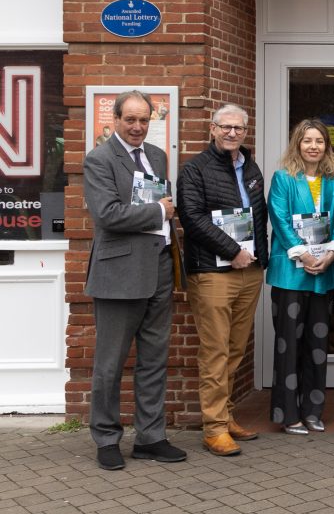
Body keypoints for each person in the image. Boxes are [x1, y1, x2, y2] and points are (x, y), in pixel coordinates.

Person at [83, 90, 187, 470]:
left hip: (158, 268)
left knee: (154, 360)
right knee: (110, 364)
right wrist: (158, 210)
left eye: (144, 120)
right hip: (118, 272)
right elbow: (107, 214)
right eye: (131, 120)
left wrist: (163, 209)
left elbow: (164, 202)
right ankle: (107, 438)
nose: (138, 127)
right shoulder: (99, 159)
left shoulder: (157, 156)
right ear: (115, 120)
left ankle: (150, 437)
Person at [177, 103, 270, 457]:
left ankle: (226, 415)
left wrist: (257, 258)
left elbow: (257, 218)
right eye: (226, 127)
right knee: (215, 350)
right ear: (212, 128)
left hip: (249, 271)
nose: (233, 133)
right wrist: (233, 250)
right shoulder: (195, 170)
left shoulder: (251, 167)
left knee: (234, 349)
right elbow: (192, 218)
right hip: (214, 272)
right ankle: (213, 428)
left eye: (239, 129)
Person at [264, 119, 334, 435]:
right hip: (290, 274)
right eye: (307, 140)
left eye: (319, 141)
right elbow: (279, 219)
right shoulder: (284, 178)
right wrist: (304, 253)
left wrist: (332, 253)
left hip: (323, 272)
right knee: (288, 346)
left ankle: (313, 410)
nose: (313, 146)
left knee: (318, 344)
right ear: (297, 144)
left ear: (327, 146)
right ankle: (288, 414)